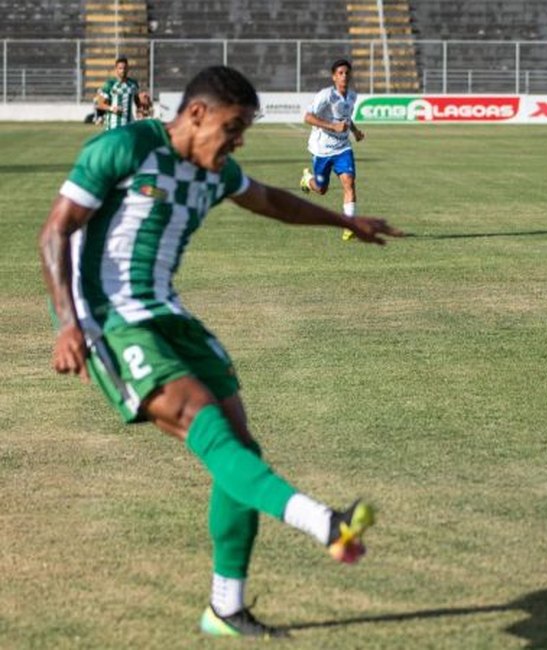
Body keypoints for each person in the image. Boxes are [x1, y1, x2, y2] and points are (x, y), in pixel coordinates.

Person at [39, 66, 404, 637]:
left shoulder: (217, 172)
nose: (237, 143)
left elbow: (274, 201)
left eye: (244, 134)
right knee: (203, 425)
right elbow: (56, 230)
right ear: (197, 114)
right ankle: (326, 523)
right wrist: (67, 323)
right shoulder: (126, 147)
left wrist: (343, 221)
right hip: (110, 321)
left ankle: (225, 608)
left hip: (170, 317)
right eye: (233, 128)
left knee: (241, 450)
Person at [300, 58, 366, 241]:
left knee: (349, 182)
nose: (344, 76)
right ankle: (307, 180)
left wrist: (355, 132)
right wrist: (332, 126)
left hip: (343, 148)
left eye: (347, 73)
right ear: (334, 77)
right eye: (340, 73)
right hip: (321, 149)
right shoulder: (326, 95)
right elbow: (308, 117)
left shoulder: (352, 96)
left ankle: (350, 224)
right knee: (321, 189)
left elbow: (346, 118)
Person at [94, 57, 149, 131]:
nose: (123, 70)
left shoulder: (133, 84)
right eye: (120, 68)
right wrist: (112, 108)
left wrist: (141, 109)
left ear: (128, 69)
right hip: (113, 125)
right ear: (116, 69)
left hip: (129, 124)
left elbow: (137, 100)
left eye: (125, 68)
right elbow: (100, 104)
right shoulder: (110, 84)